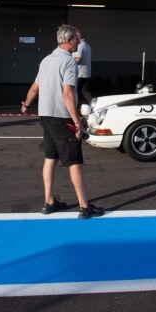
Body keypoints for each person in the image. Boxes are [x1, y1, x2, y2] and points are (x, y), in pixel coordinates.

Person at [21, 24, 104, 220]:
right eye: (77, 39)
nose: (79, 42)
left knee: (51, 158)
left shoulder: (46, 60)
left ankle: (49, 201)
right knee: (74, 161)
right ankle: (84, 206)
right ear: (69, 41)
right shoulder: (68, 63)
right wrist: (77, 122)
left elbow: (35, 88)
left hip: (45, 116)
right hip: (61, 116)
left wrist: (26, 104)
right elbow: (67, 94)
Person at [72, 36, 93, 105]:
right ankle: (94, 106)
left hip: (79, 73)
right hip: (87, 73)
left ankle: (73, 109)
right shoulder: (87, 45)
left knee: (73, 92)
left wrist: (68, 60)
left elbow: (78, 59)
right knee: (85, 91)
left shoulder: (80, 45)